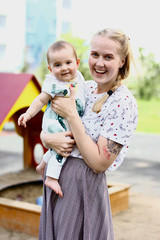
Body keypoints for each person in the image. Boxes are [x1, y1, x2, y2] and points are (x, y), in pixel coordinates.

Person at [39, 28, 138, 240]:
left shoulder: (122, 103)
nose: (99, 63)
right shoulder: (83, 86)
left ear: (121, 61)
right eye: (95, 55)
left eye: (108, 57)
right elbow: (51, 122)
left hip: (82, 189)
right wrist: (46, 138)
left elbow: (99, 163)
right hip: (56, 180)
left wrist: (72, 115)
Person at [18, 40, 85, 198]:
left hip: (67, 120)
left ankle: (42, 165)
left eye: (68, 62)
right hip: (55, 122)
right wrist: (28, 114)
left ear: (77, 63)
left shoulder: (79, 79)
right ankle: (51, 178)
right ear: (50, 68)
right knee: (64, 148)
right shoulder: (53, 84)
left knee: (58, 147)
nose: (64, 68)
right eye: (57, 65)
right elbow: (40, 100)